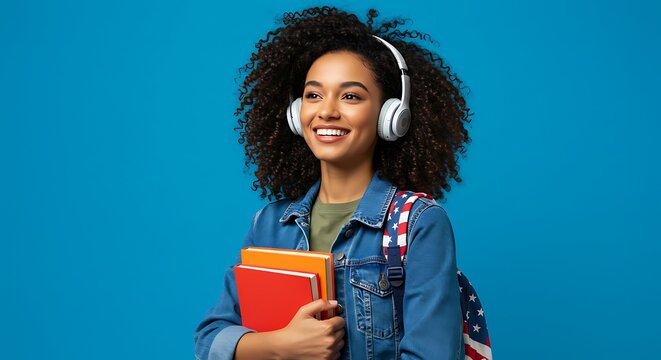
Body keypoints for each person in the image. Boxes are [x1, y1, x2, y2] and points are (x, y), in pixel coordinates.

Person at [195, 6, 472, 360]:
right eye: (313, 95)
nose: (326, 111)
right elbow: (210, 340)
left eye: (350, 96)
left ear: (391, 116)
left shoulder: (417, 223)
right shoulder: (269, 224)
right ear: (296, 114)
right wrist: (280, 346)